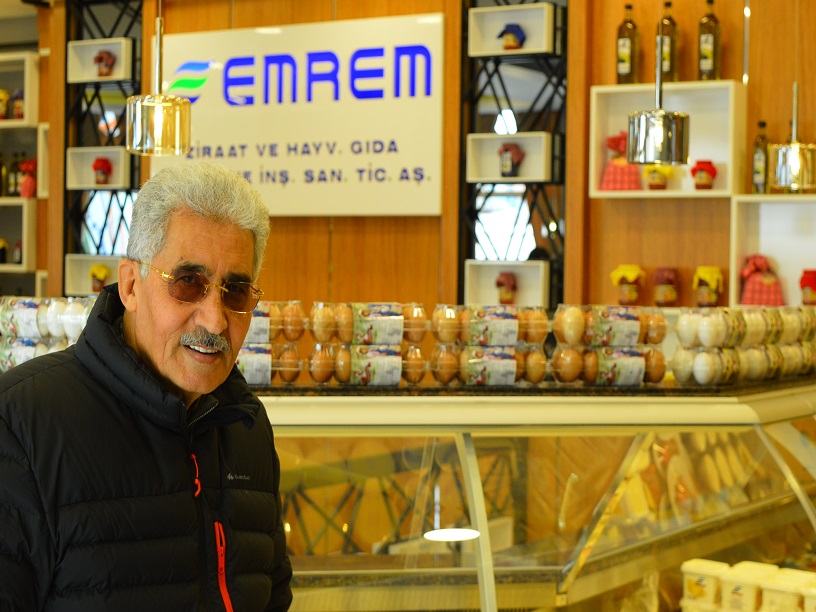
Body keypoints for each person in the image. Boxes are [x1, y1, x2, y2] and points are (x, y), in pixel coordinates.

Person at [0, 161, 293, 611]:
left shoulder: (246, 426)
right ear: (131, 286)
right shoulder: (22, 424)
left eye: (235, 291)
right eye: (188, 283)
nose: (215, 320)